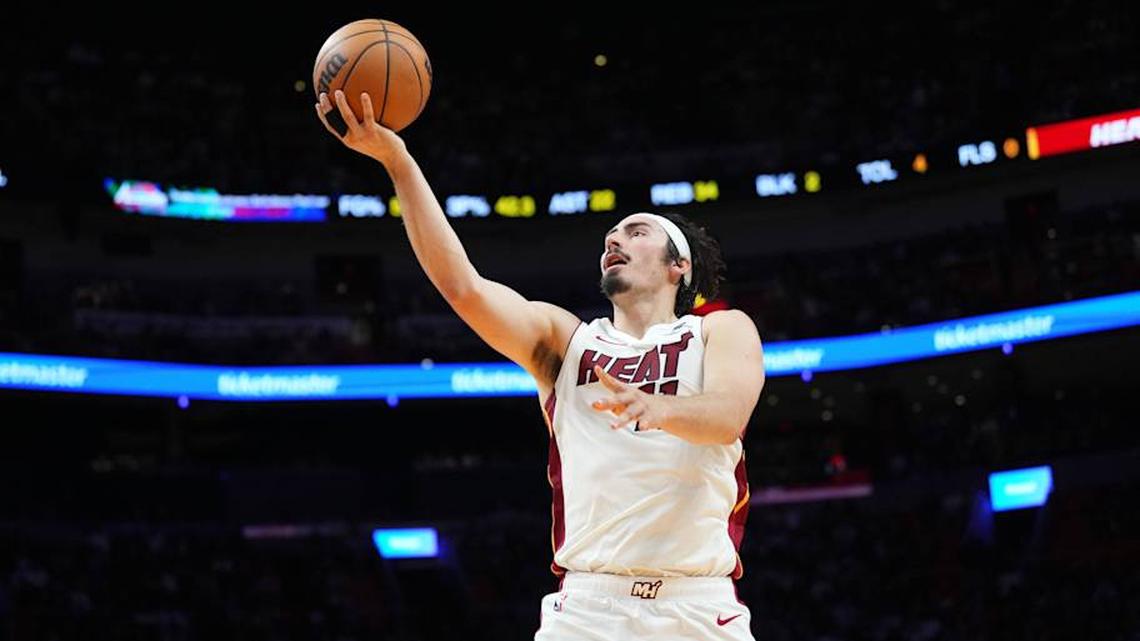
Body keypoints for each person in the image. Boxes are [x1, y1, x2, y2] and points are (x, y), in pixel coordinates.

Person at [317, 89, 765, 640]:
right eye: (610, 236)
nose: (613, 239)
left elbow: (726, 415)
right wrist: (398, 162)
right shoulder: (564, 339)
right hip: (587, 609)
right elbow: (463, 287)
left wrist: (654, 405)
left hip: (697, 606)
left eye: (635, 231)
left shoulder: (720, 329)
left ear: (679, 265)